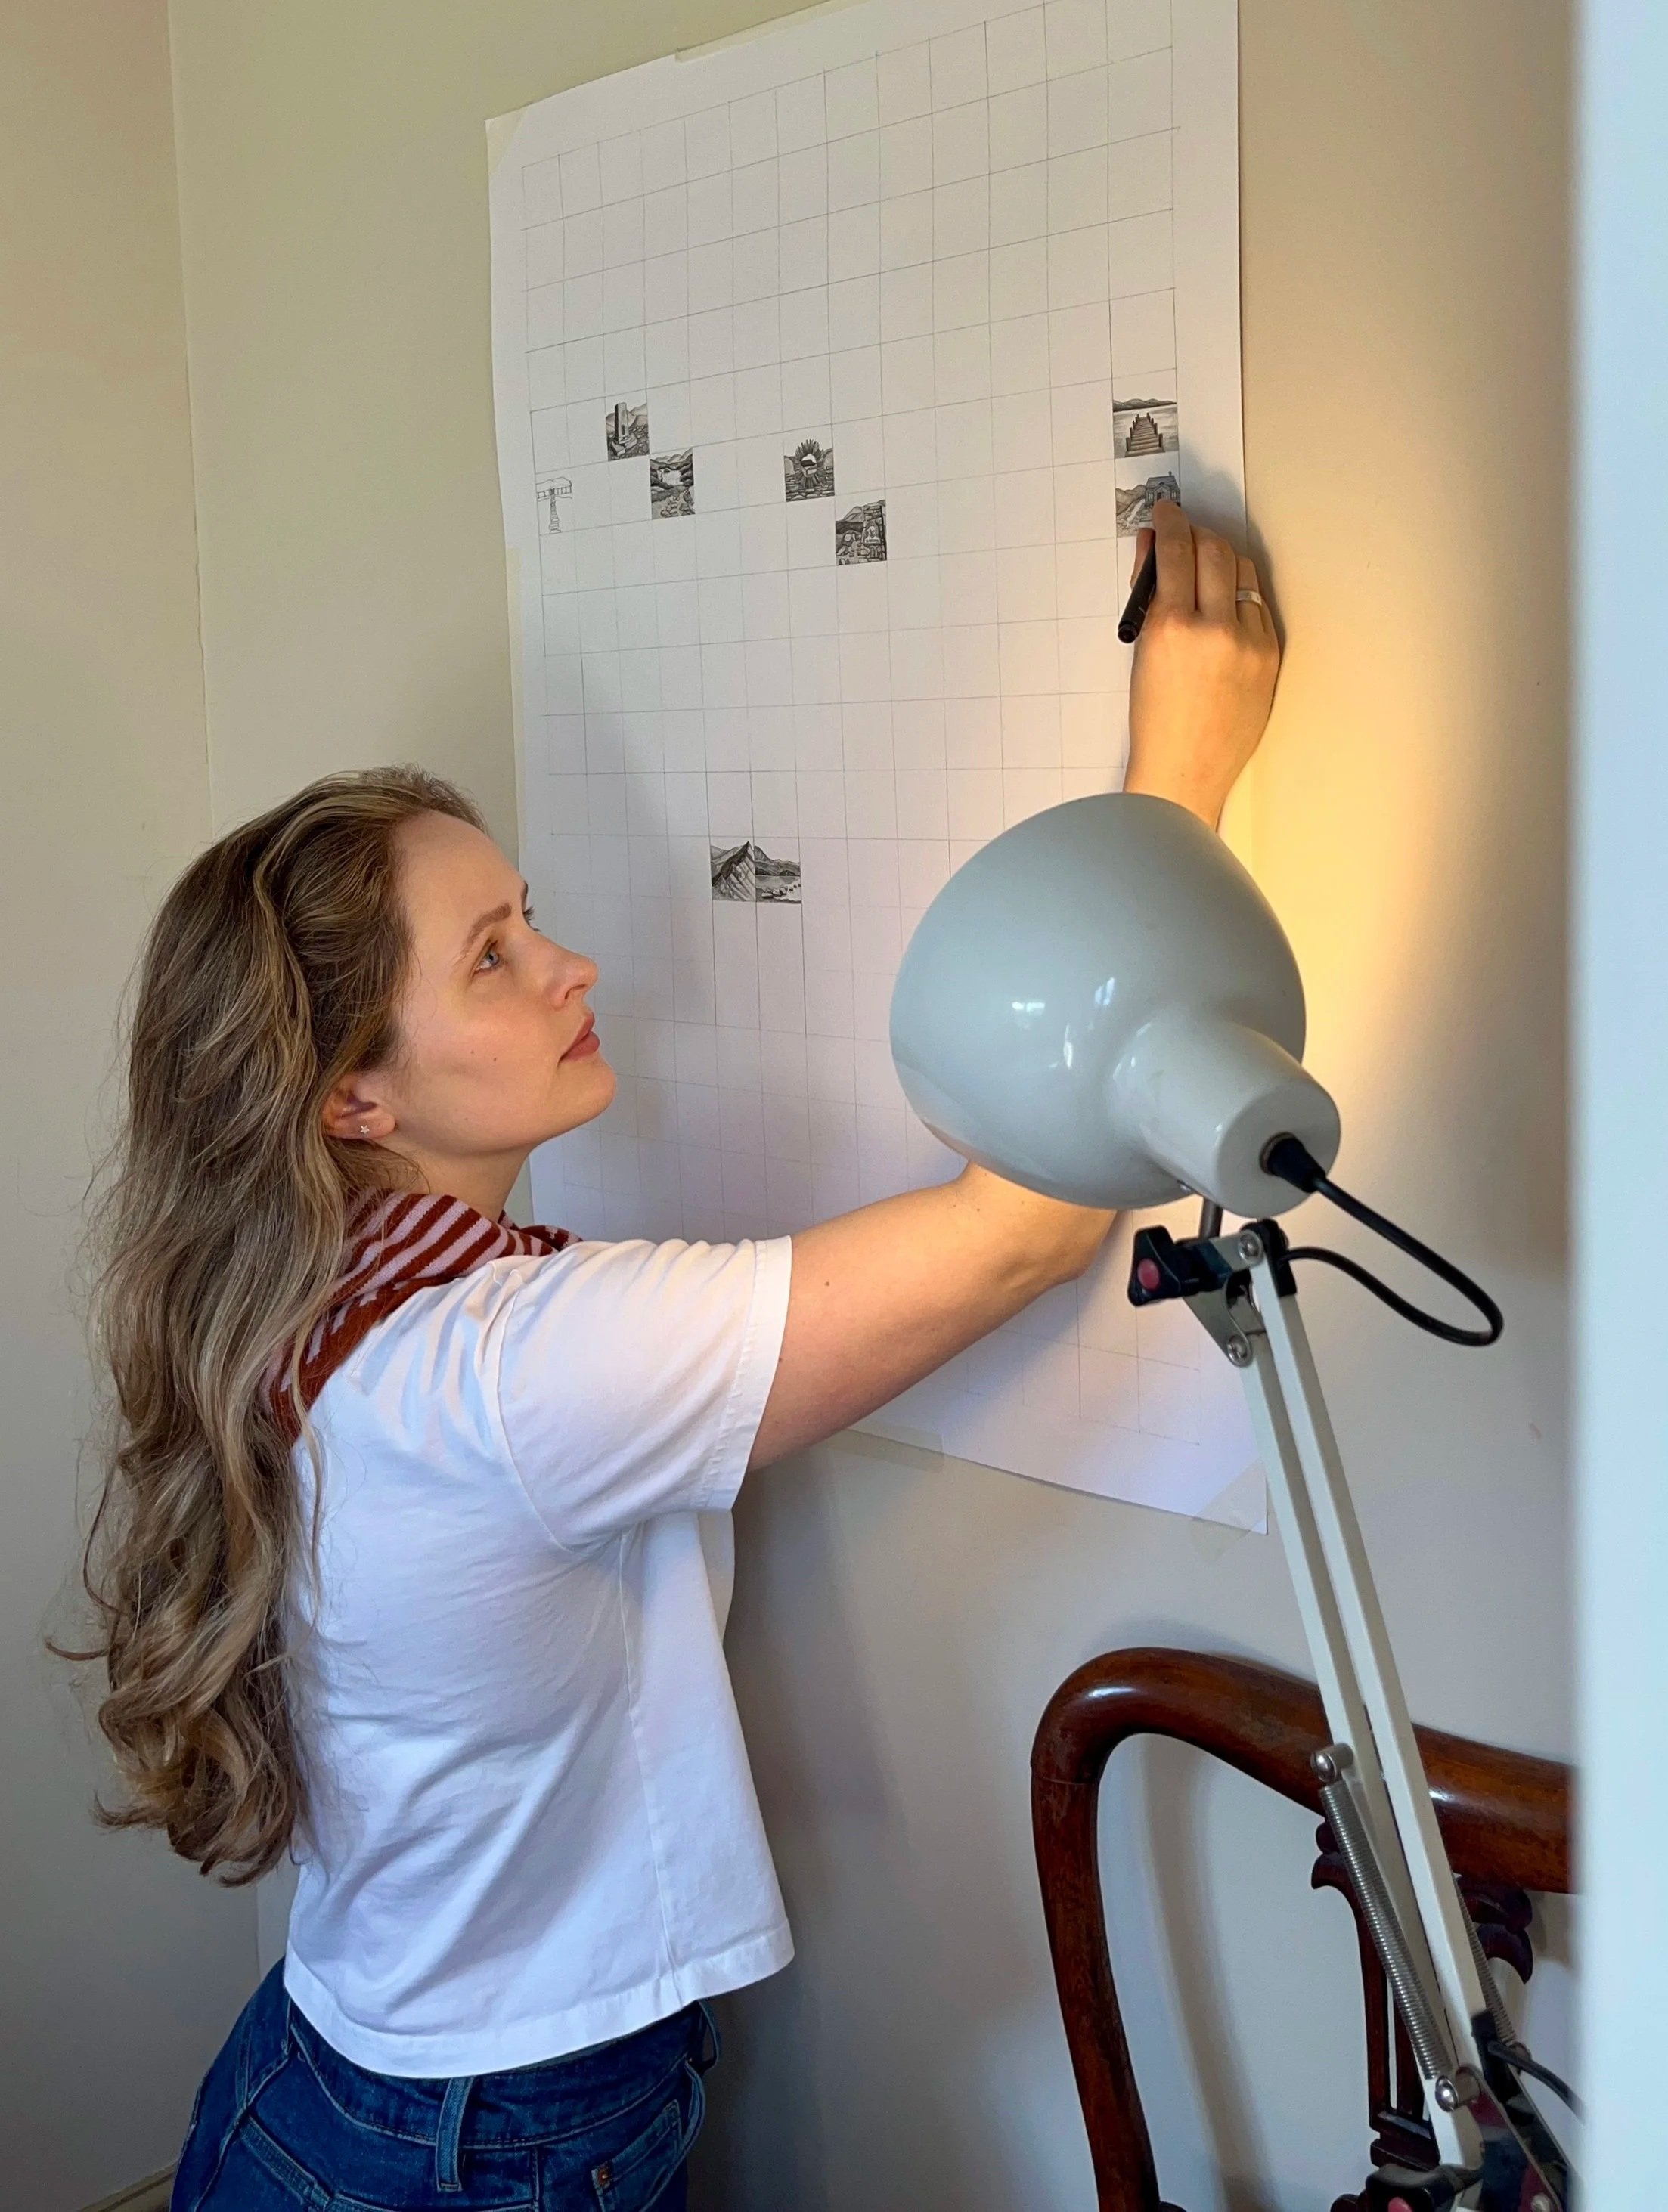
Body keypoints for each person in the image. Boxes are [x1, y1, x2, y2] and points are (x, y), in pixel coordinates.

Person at [71, 502, 1279, 2211]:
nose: (570, 965)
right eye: (491, 956)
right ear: (357, 1092)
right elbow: (1018, 1224)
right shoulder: (510, 1370)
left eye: (528, 915)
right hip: (484, 2132)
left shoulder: (306, 1299)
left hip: (322, 2059)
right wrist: (1182, 776)